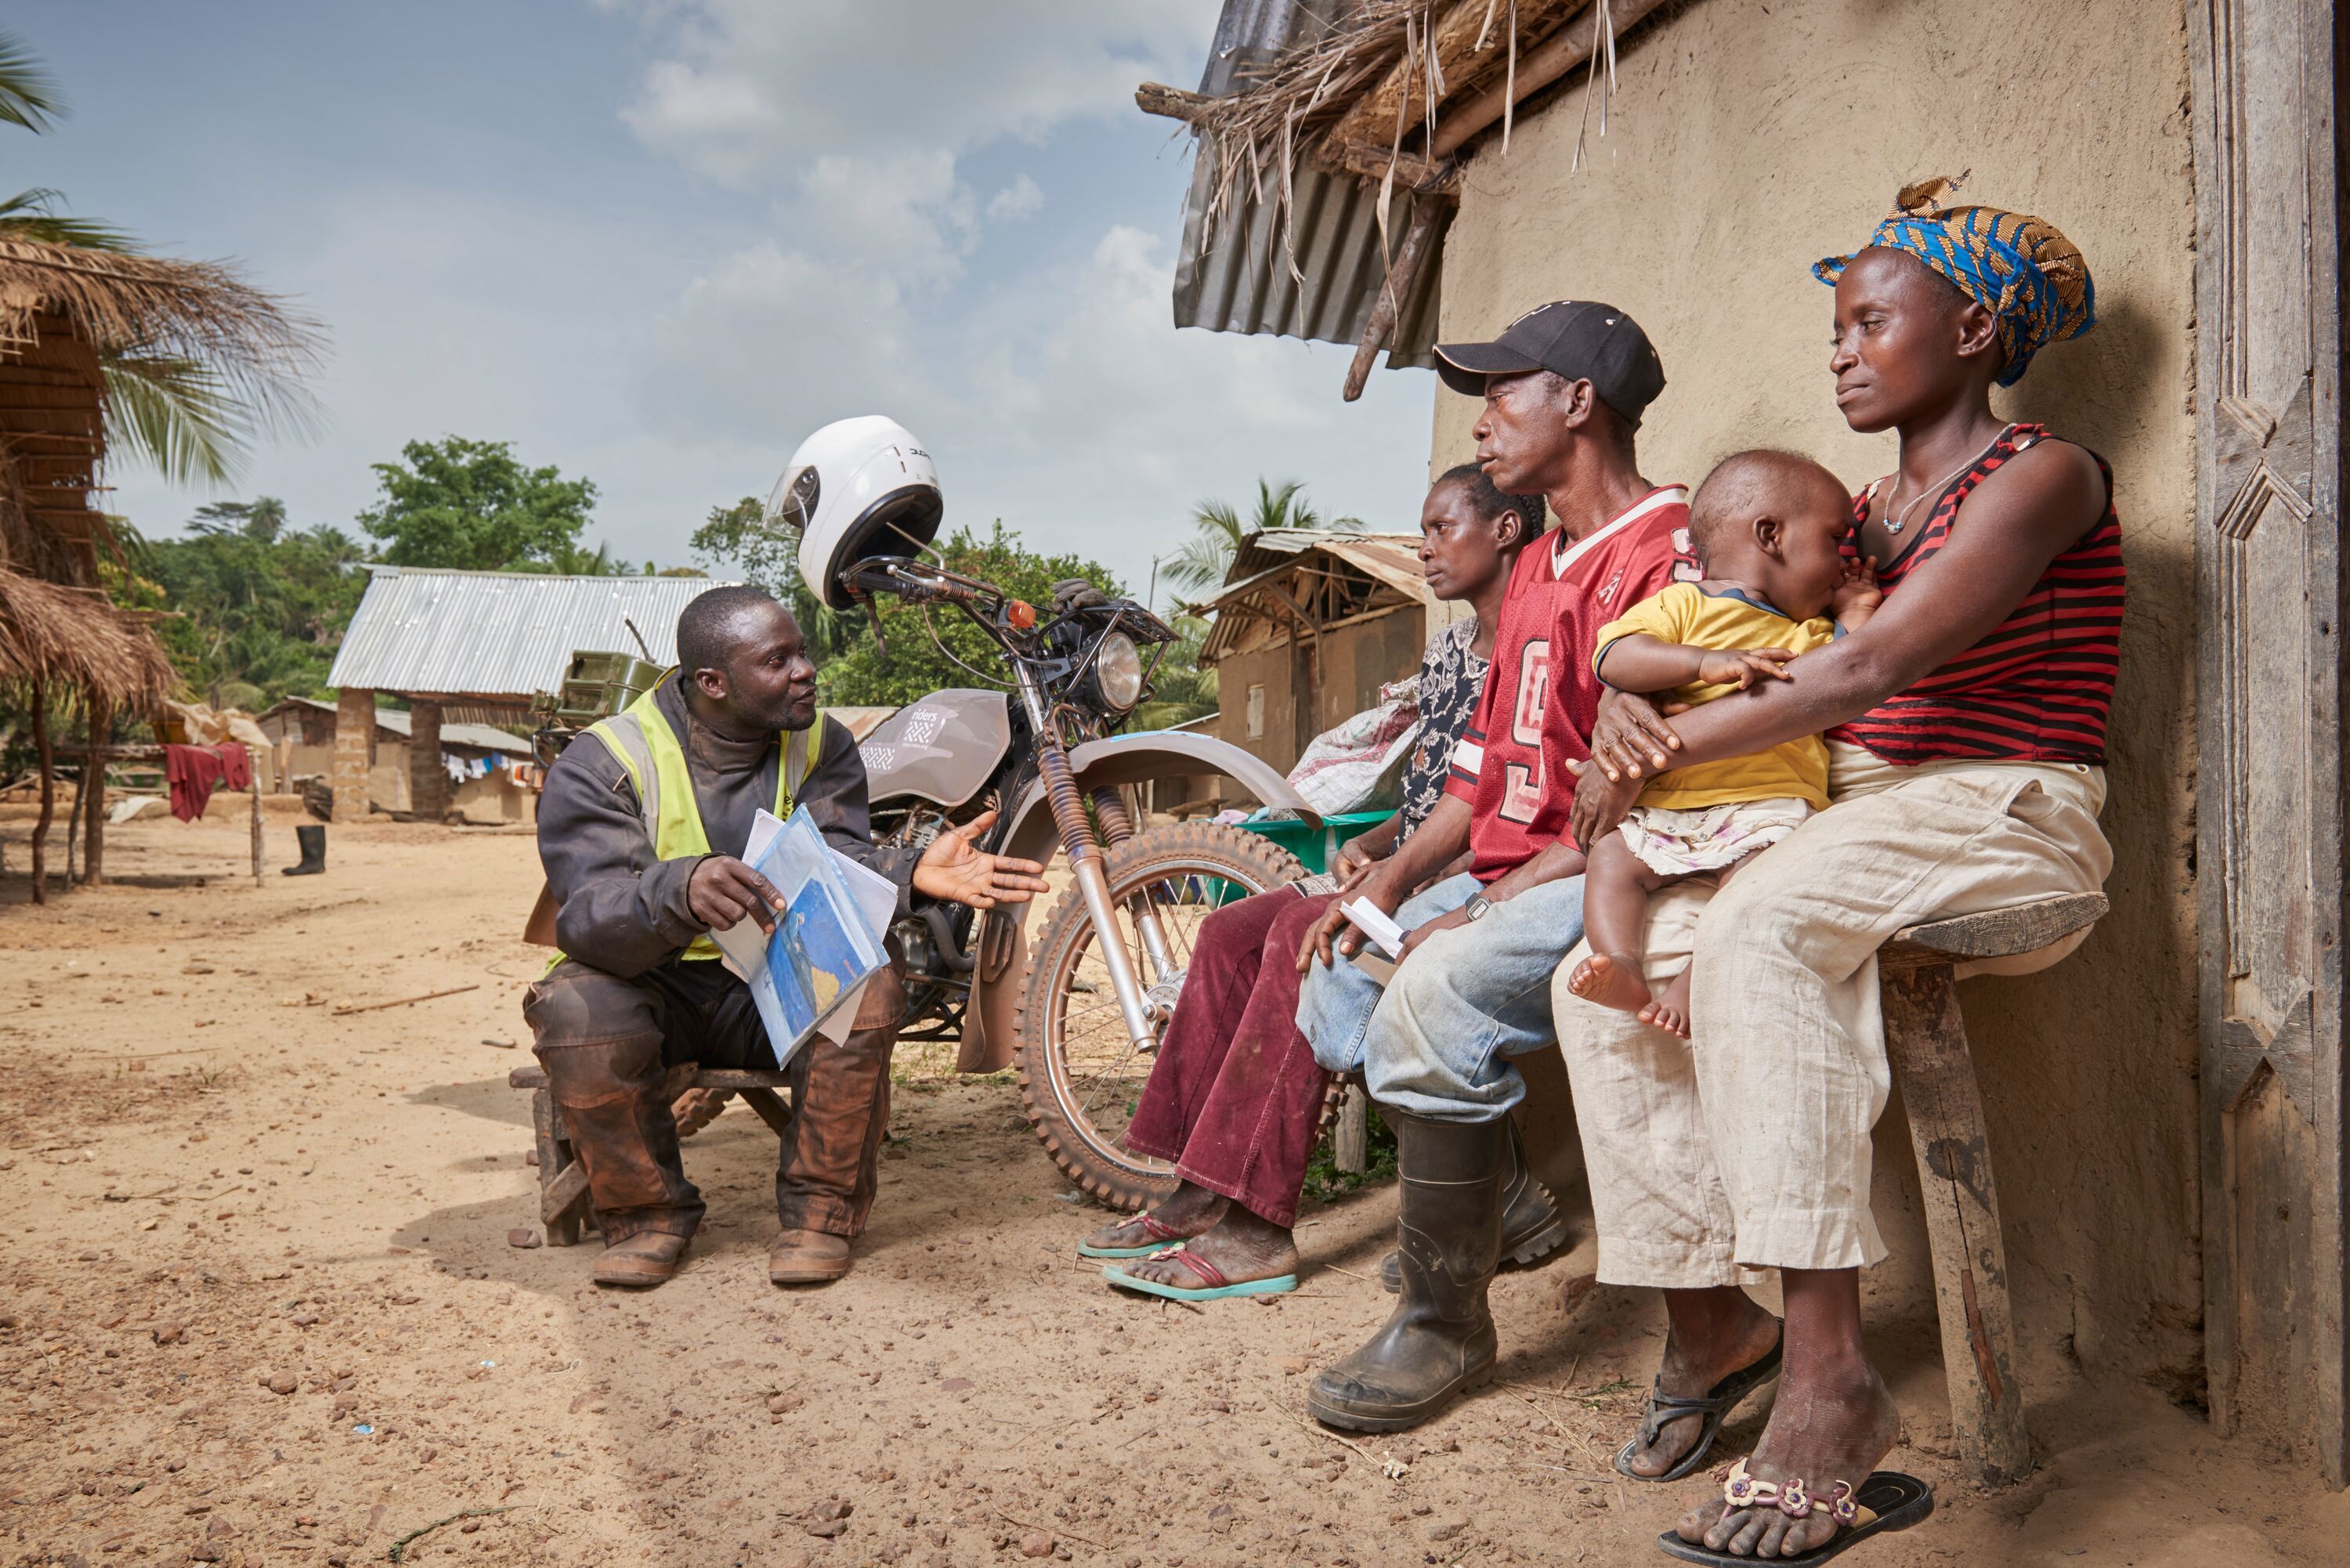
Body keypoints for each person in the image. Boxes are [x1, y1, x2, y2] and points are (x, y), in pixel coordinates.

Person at [1553, 176, 2115, 1561]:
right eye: (1836, 328)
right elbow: (1750, 660)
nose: (1842, 348)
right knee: (1600, 978)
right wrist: (1642, 713)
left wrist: (1657, 755)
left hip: (2004, 805)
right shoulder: (1854, 512)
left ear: (1977, 328)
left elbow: (1864, 668)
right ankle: (1715, 1319)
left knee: (1756, 931)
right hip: (1864, 807)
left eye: (1872, 319)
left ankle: (1829, 1386)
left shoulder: (2042, 472)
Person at [1296, 301, 1697, 1433]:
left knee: (1430, 993)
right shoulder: (1535, 562)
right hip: (1507, 869)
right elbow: (1481, 776)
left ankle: (1443, 1320)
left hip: (1609, 868)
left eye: (1503, 393)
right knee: (1331, 966)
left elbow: (1638, 790)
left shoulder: (1665, 551)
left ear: (1579, 404)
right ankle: (1493, 1200)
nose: (1481, 425)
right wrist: (1395, 878)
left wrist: (1473, 916)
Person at [1080, 465, 1556, 1301]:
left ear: (1506, 532)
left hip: (1469, 877)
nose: (1426, 547)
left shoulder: (1541, 643)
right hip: (1413, 863)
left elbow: (1506, 810)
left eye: (1444, 529)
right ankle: (1199, 1182)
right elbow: (1432, 796)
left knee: (1302, 941)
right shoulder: (1451, 652)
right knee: (1230, 932)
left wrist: (1409, 874)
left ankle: (1257, 1223)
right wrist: (1371, 847)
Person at [526, 585, 1049, 1289]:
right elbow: (587, 913)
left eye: (801, 652)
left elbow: (836, 861)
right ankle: (647, 1216)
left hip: (770, 990)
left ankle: (819, 1216)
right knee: (573, 1010)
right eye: (778, 661)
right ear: (711, 682)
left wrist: (911, 870)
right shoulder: (606, 761)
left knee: (868, 983)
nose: (805, 670)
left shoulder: (820, 743)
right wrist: (678, 889)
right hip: (653, 987)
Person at [1565, 450, 1882, 1037]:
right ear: (1771, 535)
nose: (1844, 560)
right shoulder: (1682, 605)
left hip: (1767, 806)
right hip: (1671, 809)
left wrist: (1858, 609)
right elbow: (1616, 656)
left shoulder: (1807, 633)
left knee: (1755, 882)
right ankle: (1622, 964)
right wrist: (1703, 661)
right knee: (1609, 859)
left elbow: (1850, 668)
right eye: (1836, 539)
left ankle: (1691, 982)